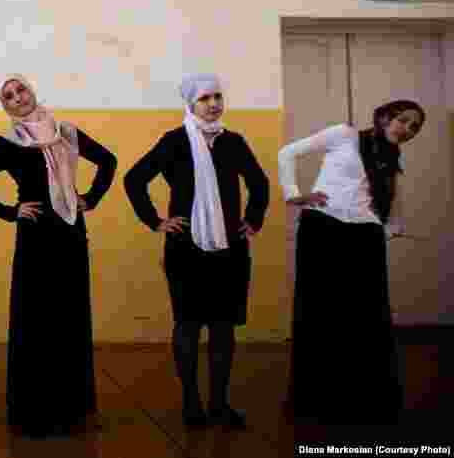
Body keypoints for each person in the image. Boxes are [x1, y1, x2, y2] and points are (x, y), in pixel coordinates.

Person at [0, 74, 117, 436]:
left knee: (71, 314)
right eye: (9, 96)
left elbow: (108, 161)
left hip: (71, 233)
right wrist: (10, 211)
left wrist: (90, 198)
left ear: (32, 91)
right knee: (35, 318)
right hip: (36, 237)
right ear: (6, 106)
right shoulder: (7, 144)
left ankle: (73, 408)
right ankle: (34, 409)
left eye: (21, 90)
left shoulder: (67, 133)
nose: (18, 98)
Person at [124, 74, 269, 428]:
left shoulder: (233, 142)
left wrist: (252, 219)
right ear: (191, 103)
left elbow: (259, 183)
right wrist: (157, 221)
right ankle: (192, 403)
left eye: (218, 96)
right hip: (186, 248)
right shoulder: (174, 142)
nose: (214, 104)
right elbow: (134, 179)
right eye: (205, 98)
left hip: (229, 249)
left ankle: (219, 404)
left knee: (223, 328)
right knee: (187, 325)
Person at [278, 99, 424, 424]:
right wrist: (293, 194)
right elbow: (287, 153)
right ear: (385, 117)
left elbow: (393, 209)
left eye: (414, 127)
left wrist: (379, 230)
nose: (408, 130)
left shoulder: (391, 162)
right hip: (322, 228)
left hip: (363, 237)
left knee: (367, 317)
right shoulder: (343, 135)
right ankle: (315, 399)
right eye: (403, 120)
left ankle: (364, 400)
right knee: (317, 311)